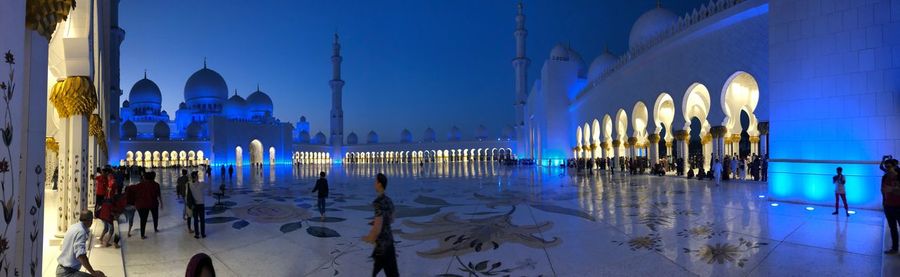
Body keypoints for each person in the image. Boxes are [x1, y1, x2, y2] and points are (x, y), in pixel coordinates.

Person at [363, 173, 398, 277]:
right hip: (389, 241)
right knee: (391, 272)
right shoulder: (389, 200)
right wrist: (380, 220)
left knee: (381, 268)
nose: (374, 184)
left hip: (381, 245)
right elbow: (392, 219)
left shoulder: (378, 202)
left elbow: (377, 228)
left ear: (379, 184)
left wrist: (369, 237)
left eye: (375, 181)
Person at [57, 210, 106, 277]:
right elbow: (81, 255)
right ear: (89, 220)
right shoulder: (81, 232)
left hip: (63, 269)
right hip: (67, 273)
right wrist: (93, 272)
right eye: (92, 219)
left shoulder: (73, 226)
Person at [135, 172, 163, 239]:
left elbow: (136, 194)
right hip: (153, 203)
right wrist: (161, 203)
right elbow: (159, 195)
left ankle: (142, 235)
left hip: (143, 204)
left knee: (143, 220)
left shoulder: (140, 185)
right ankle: (155, 228)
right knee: (155, 217)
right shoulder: (156, 185)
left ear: (145, 177)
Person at [882, 157, 900, 254]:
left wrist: (892, 190)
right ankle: (894, 248)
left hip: (898, 207)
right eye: (886, 167)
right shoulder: (885, 177)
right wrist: (884, 203)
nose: (887, 169)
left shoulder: (899, 176)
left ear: (894, 166)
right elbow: (883, 190)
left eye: (889, 167)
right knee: (893, 228)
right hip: (888, 206)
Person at [189, 171, 208, 239]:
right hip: (201, 204)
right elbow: (208, 185)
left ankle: (197, 234)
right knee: (202, 220)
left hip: (194, 205)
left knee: (195, 220)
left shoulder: (190, 185)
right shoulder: (201, 184)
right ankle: (203, 234)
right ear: (196, 177)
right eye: (197, 175)